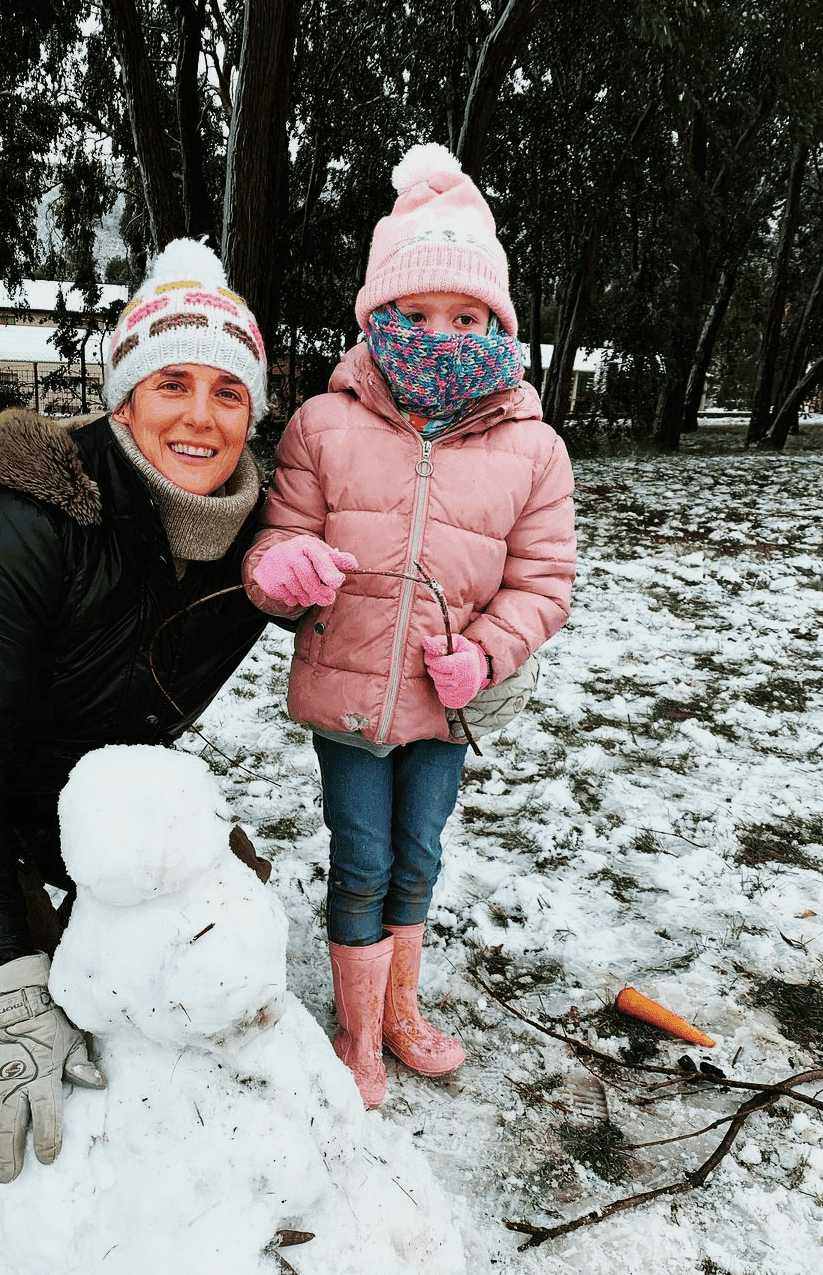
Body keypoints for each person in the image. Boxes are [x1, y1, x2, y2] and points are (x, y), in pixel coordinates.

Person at [0, 239, 274, 1182]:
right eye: (172, 384)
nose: (200, 416)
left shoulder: (257, 550)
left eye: (227, 392)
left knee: (203, 935)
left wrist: (488, 653)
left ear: (252, 414)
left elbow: (401, 555)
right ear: (124, 399)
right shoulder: (34, 522)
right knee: (11, 1018)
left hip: (69, 806)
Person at [243, 143, 577, 1108]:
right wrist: (281, 569)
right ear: (378, 316)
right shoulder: (322, 424)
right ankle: (357, 1036)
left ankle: (398, 1005)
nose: (441, 333)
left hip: (448, 704)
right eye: (416, 313)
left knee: (419, 855)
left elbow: (543, 581)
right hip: (349, 697)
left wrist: (488, 651)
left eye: (466, 316)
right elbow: (276, 547)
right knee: (363, 857)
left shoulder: (534, 448)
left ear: (498, 323)